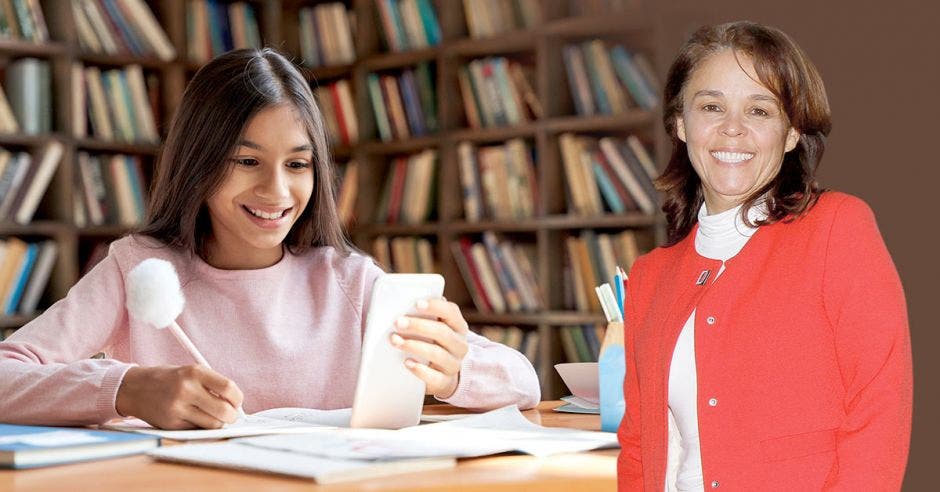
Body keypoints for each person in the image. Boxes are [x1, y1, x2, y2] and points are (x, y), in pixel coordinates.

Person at [0, 48, 540, 430]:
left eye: (298, 163)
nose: (277, 190)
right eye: (247, 161)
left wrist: (454, 372)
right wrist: (124, 388)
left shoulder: (347, 280)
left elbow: (523, 382)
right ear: (200, 163)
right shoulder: (138, 267)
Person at [617, 21, 911, 490]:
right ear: (679, 123)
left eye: (760, 110)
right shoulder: (650, 275)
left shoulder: (838, 227)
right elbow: (637, 445)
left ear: (792, 132)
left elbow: (879, 409)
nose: (732, 129)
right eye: (711, 106)